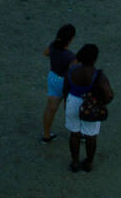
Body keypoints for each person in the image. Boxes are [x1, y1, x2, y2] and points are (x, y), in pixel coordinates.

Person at [64, 43, 113, 174]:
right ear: (94, 59)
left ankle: (75, 162)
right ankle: (88, 162)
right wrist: (101, 102)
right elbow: (109, 94)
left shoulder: (72, 70)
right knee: (91, 136)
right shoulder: (98, 75)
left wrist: (65, 104)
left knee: (74, 134)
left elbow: (65, 89)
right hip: (91, 105)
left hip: (72, 101)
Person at [42, 23, 76, 143]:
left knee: (51, 108)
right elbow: (74, 70)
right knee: (70, 109)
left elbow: (46, 53)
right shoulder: (70, 56)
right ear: (71, 39)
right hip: (65, 82)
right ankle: (76, 134)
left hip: (53, 77)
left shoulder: (53, 46)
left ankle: (46, 135)